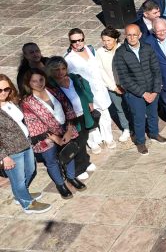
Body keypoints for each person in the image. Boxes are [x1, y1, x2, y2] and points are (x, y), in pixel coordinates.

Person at [20, 69, 85, 199]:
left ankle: (71, 177)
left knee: (69, 153)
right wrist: (55, 138)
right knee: (51, 161)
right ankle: (60, 184)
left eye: (41, 79)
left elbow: (68, 108)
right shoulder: (27, 102)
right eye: (34, 81)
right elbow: (34, 124)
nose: (39, 83)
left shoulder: (54, 91)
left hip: (65, 129)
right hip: (45, 136)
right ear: (28, 83)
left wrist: (69, 130)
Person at [0, 75, 52, 213]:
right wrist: (4, 157)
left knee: (30, 170)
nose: (3, 93)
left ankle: (21, 194)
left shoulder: (12, 102)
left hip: (26, 144)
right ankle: (27, 204)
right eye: (0, 90)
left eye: (6, 89)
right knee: (18, 180)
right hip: (11, 151)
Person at [112, 24, 166, 155]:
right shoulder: (120, 53)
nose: (132, 38)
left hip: (152, 89)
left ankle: (154, 133)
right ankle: (140, 142)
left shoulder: (147, 48)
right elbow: (124, 79)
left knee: (153, 114)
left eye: (134, 35)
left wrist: (155, 91)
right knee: (139, 118)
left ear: (140, 35)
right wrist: (143, 93)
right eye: (129, 35)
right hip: (135, 94)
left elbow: (156, 70)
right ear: (125, 36)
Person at [45, 56, 96, 180]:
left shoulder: (73, 77)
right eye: (57, 69)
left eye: (63, 68)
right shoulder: (51, 86)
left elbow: (86, 87)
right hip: (70, 120)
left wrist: (89, 100)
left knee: (83, 140)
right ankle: (78, 169)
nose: (61, 72)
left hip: (83, 114)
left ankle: (85, 161)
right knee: (75, 144)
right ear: (51, 71)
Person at [64, 28, 115, 152]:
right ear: (70, 42)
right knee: (89, 118)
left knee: (105, 115)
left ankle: (108, 138)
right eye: (74, 41)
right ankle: (94, 142)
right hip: (86, 93)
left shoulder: (90, 49)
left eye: (80, 40)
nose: (78, 43)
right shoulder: (69, 59)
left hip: (100, 90)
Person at [96, 27, 131, 143]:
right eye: (104, 40)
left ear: (115, 39)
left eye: (109, 40)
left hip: (128, 85)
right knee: (120, 109)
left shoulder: (124, 49)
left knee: (133, 106)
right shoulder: (100, 52)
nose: (106, 43)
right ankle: (126, 128)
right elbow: (101, 71)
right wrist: (114, 87)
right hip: (112, 86)